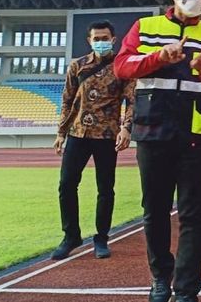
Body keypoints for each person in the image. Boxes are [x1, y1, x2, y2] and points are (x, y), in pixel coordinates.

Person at [114, 0, 201, 302]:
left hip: (198, 136)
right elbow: (122, 67)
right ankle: (160, 279)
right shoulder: (145, 27)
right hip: (153, 131)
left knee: (193, 214)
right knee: (155, 210)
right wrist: (158, 58)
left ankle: (186, 289)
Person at [51, 20, 135, 261]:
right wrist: (61, 133)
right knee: (66, 185)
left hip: (107, 136)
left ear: (114, 39)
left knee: (105, 189)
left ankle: (101, 238)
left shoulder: (121, 67)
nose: (100, 42)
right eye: (96, 38)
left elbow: (132, 100)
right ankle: (71, 236)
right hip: (77, 134)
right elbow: (67, 101)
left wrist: (126, 128)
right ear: (89, 41)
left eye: (104, 38)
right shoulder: (77, 66)